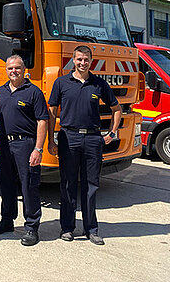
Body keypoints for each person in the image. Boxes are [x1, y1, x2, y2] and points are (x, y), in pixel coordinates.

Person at [48, 45, 121, 246]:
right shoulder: (61, 82)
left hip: (92, 140)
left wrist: (112, 133)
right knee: (68, 184)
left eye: (86, 59)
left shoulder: (98, 84)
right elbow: (52, 112)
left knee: (91, 185)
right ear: (73, 60)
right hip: (68, 138)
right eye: (79, 59)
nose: (82, 63)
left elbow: (116, 109)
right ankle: (67, 228)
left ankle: (92, 229)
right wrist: (50, 140)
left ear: (91, 61)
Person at [0, 55, 48, 246]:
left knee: (28, 185)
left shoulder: (34, 92)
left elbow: (42, 121)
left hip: (25, 145)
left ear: (24, 69)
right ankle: (7, 221)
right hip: (4, 144)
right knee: (6, 184)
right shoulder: (2, 91)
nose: (13, 71)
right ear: (6, 70)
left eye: (17, 68)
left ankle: (31, 227)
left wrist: (38, 149)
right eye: (10, 68)